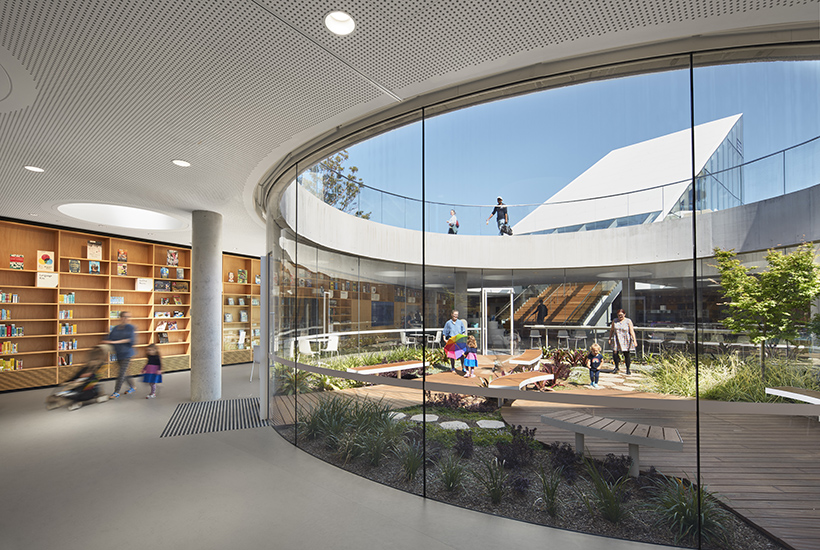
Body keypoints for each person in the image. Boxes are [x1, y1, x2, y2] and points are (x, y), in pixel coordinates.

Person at [102, 311, 136, 398]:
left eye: (128, 317)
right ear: (120, 318)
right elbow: (110, 338)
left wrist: (115, 342)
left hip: (127, 353)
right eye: (124, 316)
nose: (126, 319)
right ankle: (133, 386)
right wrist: (106, 341)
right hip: (118, 353)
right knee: (125, 372)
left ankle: (116, 392)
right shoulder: (116, 328)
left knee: (121, 373)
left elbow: (130, 340)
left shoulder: (131, 328)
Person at [608, 308, 637, 375]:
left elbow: (631, 331)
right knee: (615, 353)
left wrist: (634, 340)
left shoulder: (628, 321)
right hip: (617, 338)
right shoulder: (615, 321)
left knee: (626, 354)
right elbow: (612, 330)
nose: (620, 317)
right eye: (619, 315)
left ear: (624, 314)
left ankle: (627, 369)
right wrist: (609, 338)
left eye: (621, 315)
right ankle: (616, 367)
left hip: (625, 339)